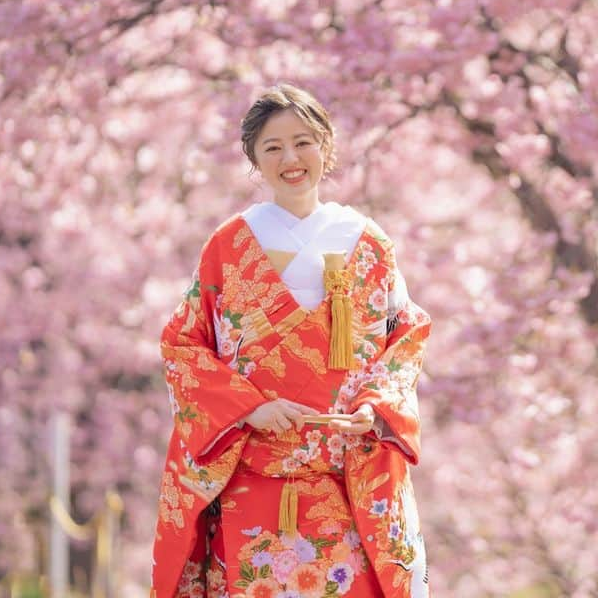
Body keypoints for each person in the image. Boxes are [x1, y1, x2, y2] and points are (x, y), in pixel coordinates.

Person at [150, 84, 431, 598]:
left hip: (345, 477)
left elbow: (405, 338)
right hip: (253, 476)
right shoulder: (229, 245)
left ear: (326, 145)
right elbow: (183, 346)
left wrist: (375, 407)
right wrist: (247, 408)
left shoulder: (368, 241)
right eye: (272, 147)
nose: (290, 159)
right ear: (253, 159)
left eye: (302, 142)